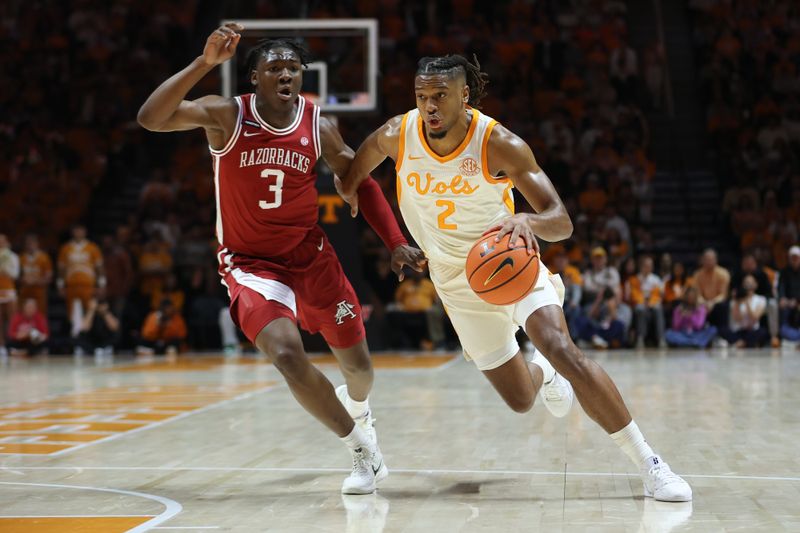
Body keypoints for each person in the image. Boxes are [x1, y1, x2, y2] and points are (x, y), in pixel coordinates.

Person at [340, 54, 691, 501]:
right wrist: (388, 234)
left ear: (464, 95)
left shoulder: (498, 142)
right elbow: (352, 176)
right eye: (422, 96)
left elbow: (560, 220)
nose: (429, 106)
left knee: (563, 348)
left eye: (440, 96)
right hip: (454, 281)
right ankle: (542, 372)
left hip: (510, 259)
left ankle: (650, 463)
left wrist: (528, 222)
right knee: (521, 399)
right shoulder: (397, 134)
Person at [137, 24, 424, 494]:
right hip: (250, 264)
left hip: (311, 258)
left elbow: (360, 179)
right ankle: (361, 450)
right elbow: (151, 117)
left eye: (293, 67)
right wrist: (204, 64)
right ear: (254, 78)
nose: (286, 74)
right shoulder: (225, 116)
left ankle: (361, 411)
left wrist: (395, 241)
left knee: (360, 370)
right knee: (288, 355)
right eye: (275, 67)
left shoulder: (318, 124)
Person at [57, 225, 105, 341]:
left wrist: (102, 284)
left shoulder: (92, 248)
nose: (78, 232)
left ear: (85, 232)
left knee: (90, 312)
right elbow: (61, 269)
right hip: (71, 285)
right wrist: (60, 285)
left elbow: (99, 267)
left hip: (88, 285)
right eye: (76, 230)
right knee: (72, 314)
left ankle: (89, 339)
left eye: (81, 230)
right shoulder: (66, 248)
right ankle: (75, 339)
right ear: (72, 232)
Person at [724, 274, 769, 348]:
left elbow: (754, 318)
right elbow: (738, 319)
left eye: (751, 283)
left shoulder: (761, 299)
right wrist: (737, 302)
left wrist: (747, 301)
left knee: (763, 332)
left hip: (752, 330)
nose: (748, 286)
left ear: (756, 284)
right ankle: (748, 343)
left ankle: (742, 343)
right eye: (746, 283)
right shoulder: (735, 301)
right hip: (739, 330)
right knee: (723, 330)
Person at [19, 234, 53, 315]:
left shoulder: (44, 257)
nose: (30, 246)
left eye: (32, 243)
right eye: (28, 244)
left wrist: (35, 281)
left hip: (39, 292)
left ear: (37, 244)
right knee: (23, 315)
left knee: (40, 315)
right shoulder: (21, 258)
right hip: (25, 292)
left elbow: (49, 277)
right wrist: (24, 280)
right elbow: (17, 276)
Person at [0, 234, 20, 359]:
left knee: (12, 319)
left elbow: (15, 275)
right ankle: (1, 346)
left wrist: (5, 271)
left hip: (9, 291)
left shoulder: (13, 256)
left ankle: (13, 345)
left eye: (2, 241)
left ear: (7, 242)